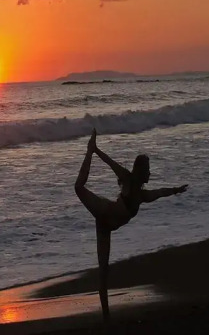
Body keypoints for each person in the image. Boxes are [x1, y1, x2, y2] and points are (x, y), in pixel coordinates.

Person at [74, 129, 188, 323]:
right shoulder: (127, 179)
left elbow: (160, 192)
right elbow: (110, 163)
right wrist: (95, 150)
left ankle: (106, 317)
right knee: (78, 187)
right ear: (141, 171)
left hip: (106, 227)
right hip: (104, 212)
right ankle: (89, 149)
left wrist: (176, 190)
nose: (150, 173)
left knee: (104, 270)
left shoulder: (142, 197)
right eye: (148, 170)